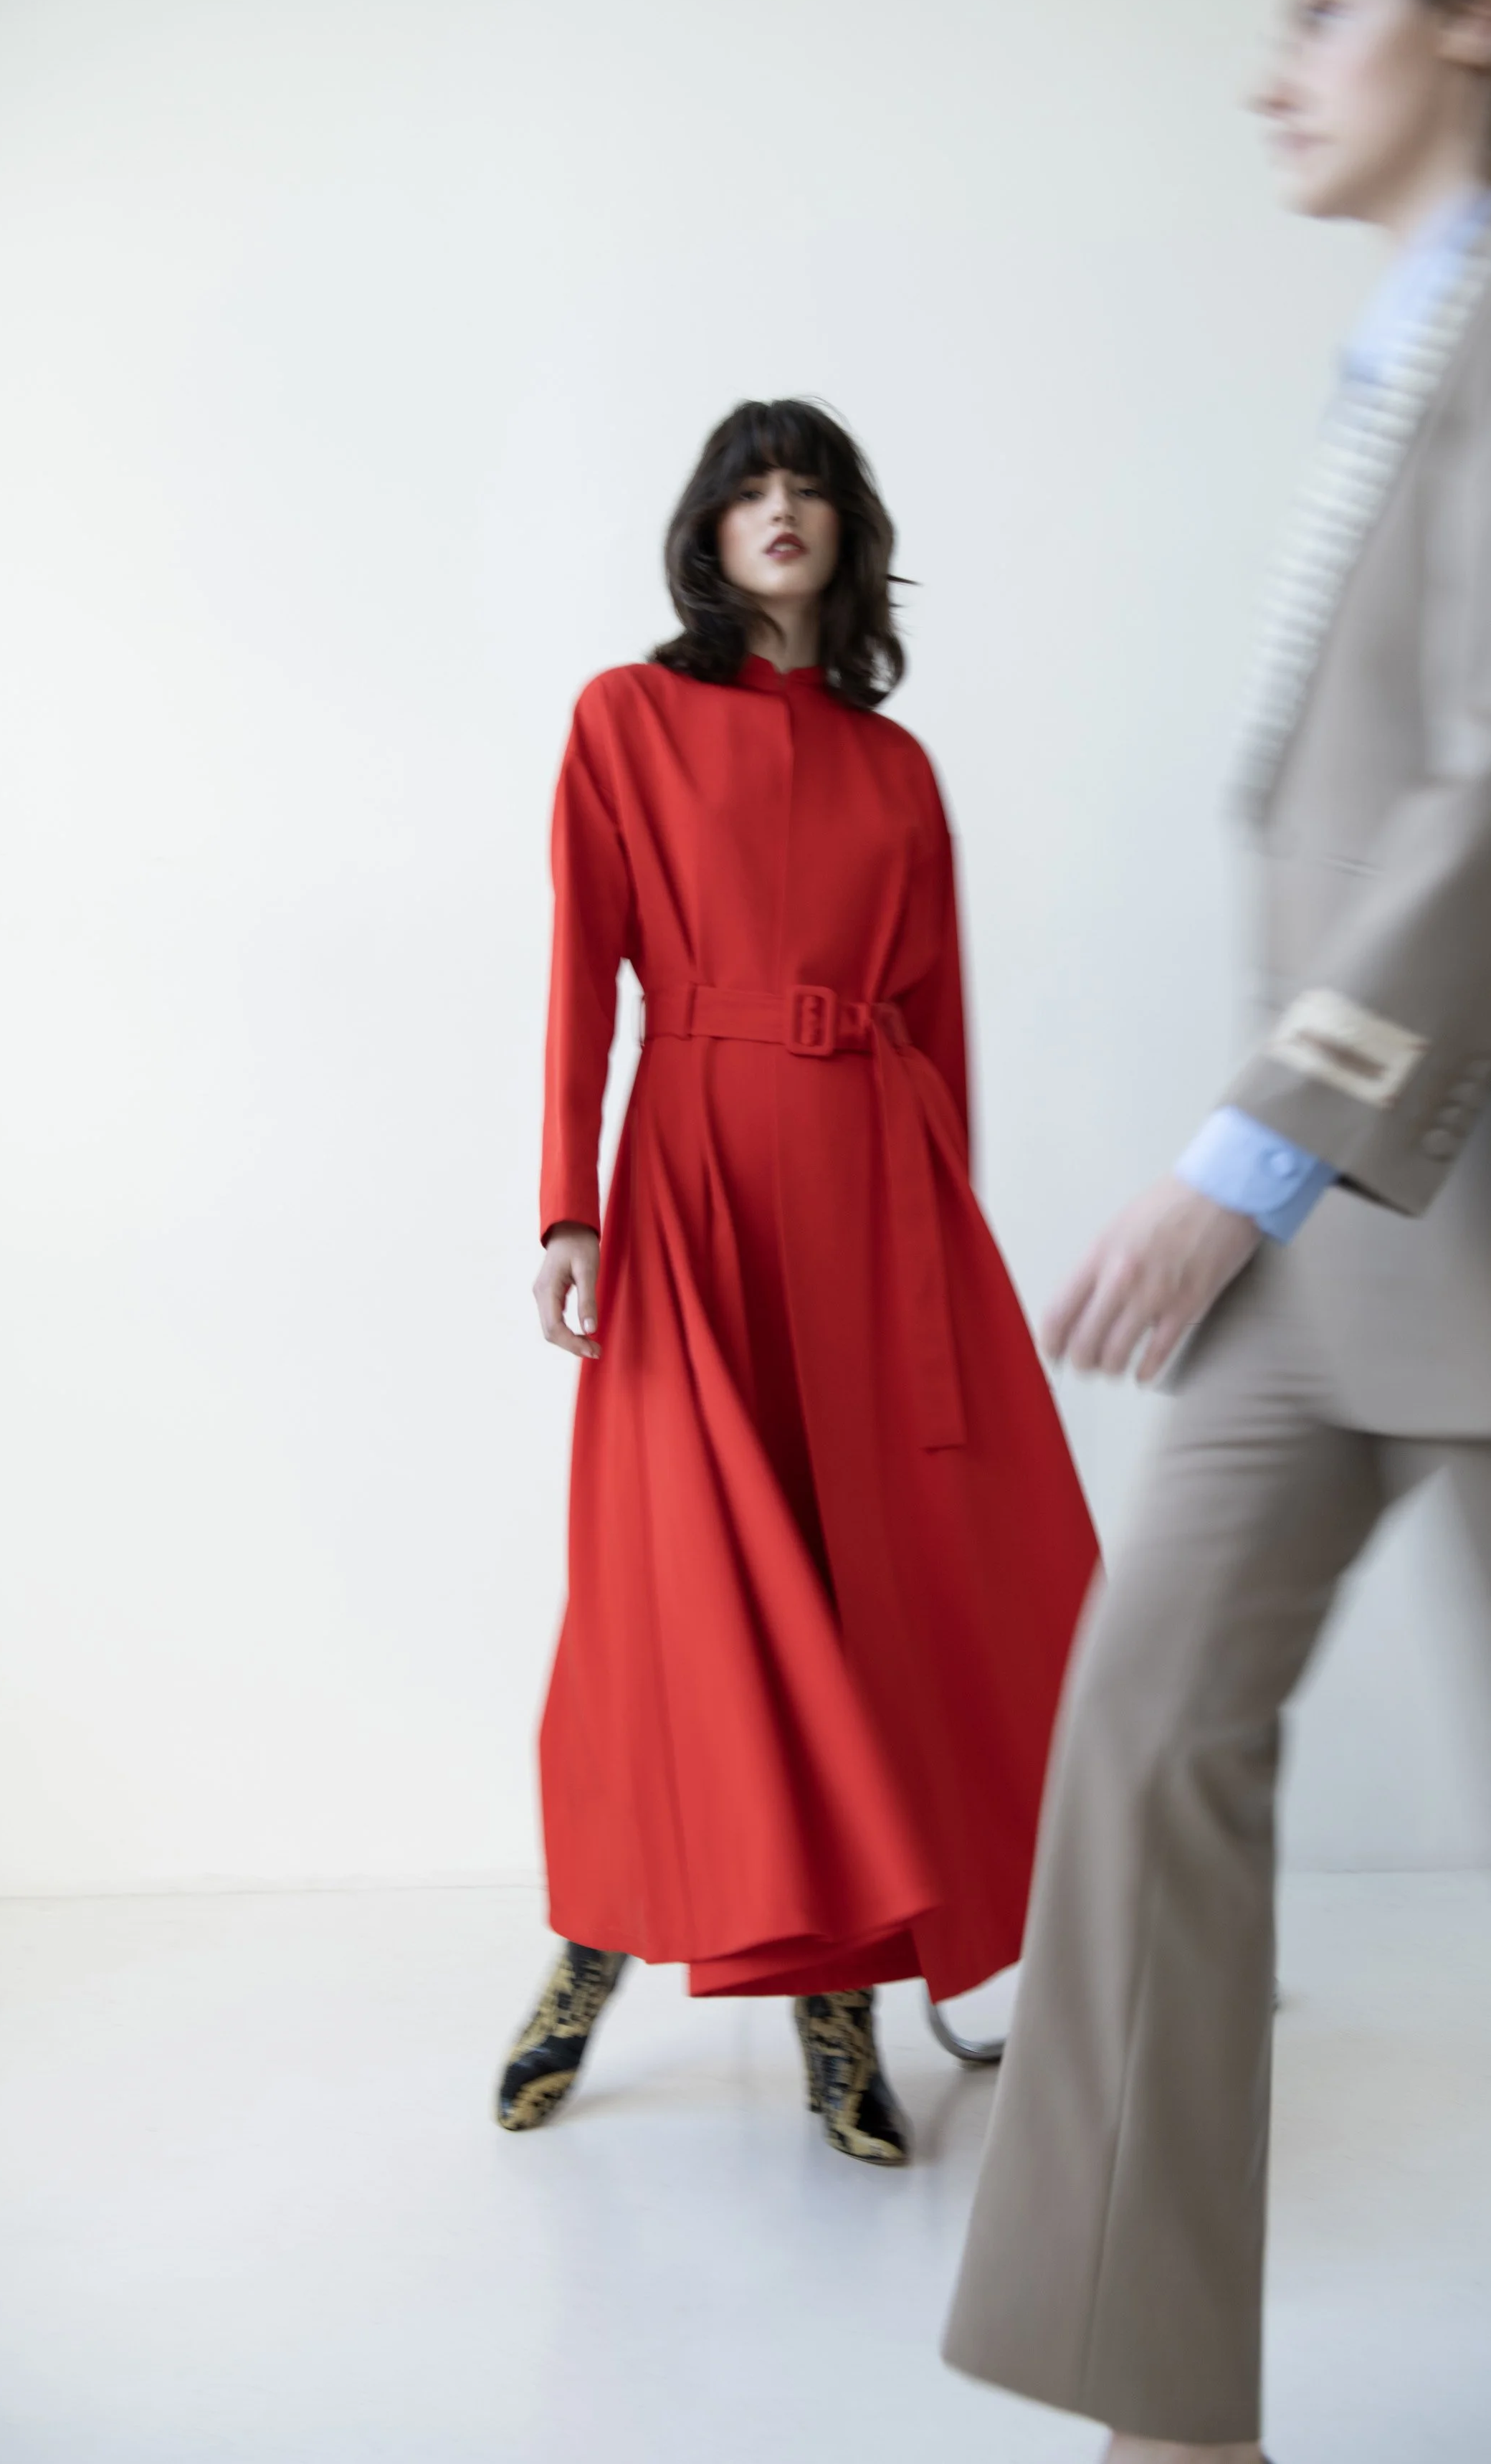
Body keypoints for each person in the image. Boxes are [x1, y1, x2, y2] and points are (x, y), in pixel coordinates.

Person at [943, 0, 1491, 2453]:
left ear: (1488, 12)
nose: (1275, 59)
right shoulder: (1398, 346)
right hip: (1341, 1238)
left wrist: (1246, 1149)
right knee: (1140, 1743)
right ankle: (1168, 2422)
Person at [496, 400, 1099, 2166]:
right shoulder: (625, 717)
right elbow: (579, 973)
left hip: (866, 1197)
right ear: (706, 525)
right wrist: (566, 1206)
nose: (779, 511)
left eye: (808, 488)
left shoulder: (895, 770)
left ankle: (840, 2014)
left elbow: (936, 1029)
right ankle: (590, 1951)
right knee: (659, 1590)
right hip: (687, 1180)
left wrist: (942, 1243)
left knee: (861, 1591)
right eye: (749, 488)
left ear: (846, 530)